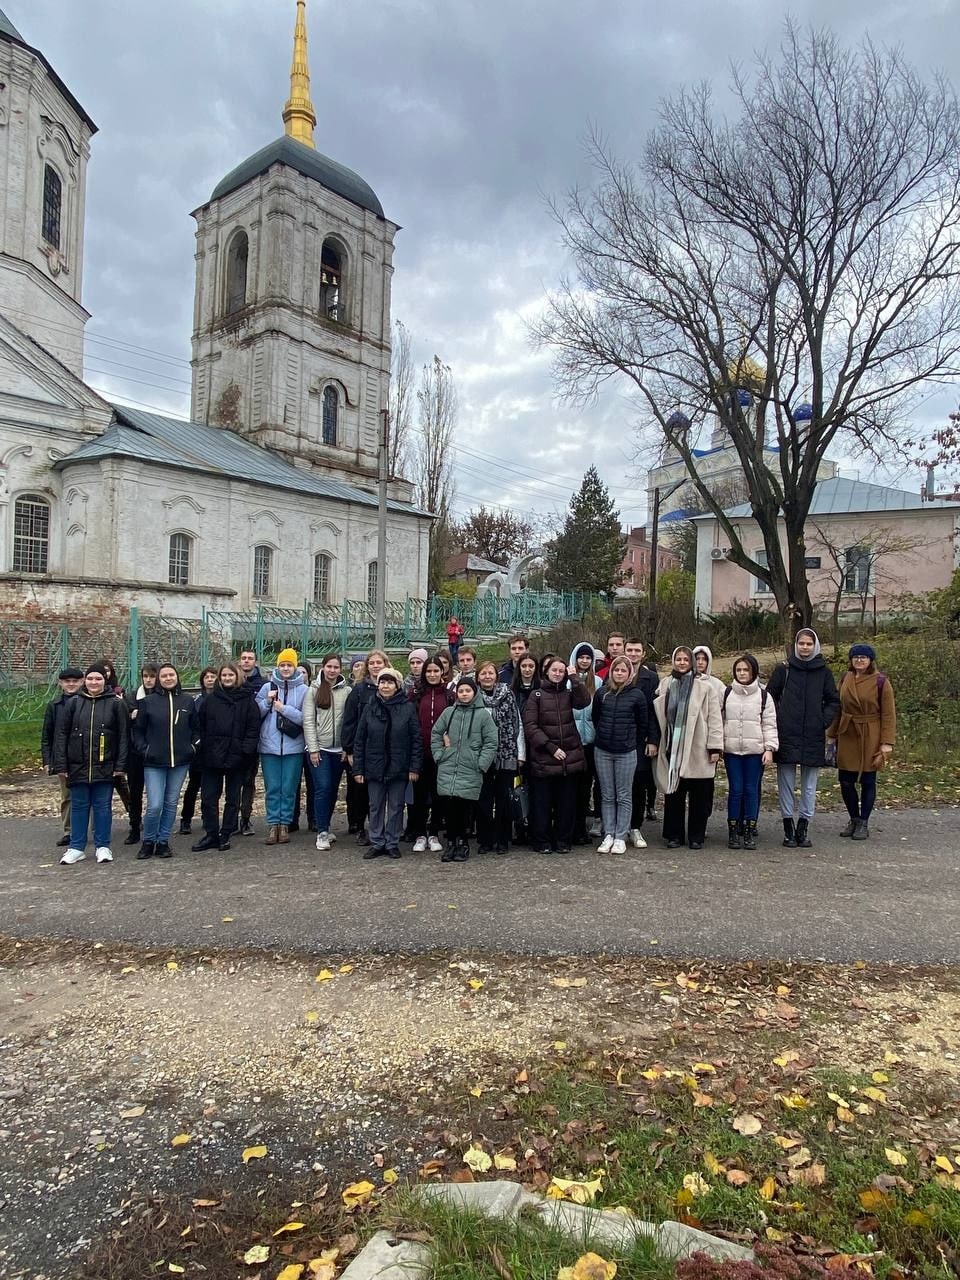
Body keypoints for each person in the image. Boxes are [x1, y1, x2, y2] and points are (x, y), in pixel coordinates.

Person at [766, 628, 840, 848]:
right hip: (787, 734)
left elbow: (833, 701)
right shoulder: (784, 670)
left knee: (809, 785)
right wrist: (780, 720)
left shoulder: (823, 672)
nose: (805, 647)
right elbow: (770, 698)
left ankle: (803, 825)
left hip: (812, 735)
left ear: (815, 645)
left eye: (809, 644)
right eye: (801, 644)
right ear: (796, 645)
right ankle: (788, 826)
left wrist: (821, 721)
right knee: (786, 782)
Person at [54, 664, 128, 866]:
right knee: (78, 806)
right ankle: (76, 847)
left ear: (105, 681)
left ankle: (102, 846)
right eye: (90, 679)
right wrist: (61, 764)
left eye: (98, 679)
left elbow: (123, 736)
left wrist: (120, 765)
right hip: (77, 765)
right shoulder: (74, 703)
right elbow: (61, 735)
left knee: (103, 806)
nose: (94, 683)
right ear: (85, 681)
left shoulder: (115, 703)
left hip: (105, 764)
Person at [653, 646, 723, 850]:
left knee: (699, 795)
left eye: (686, 659)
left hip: (698, 747)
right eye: (679, 659)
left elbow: (715, 719)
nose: (682, 662)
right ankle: (674, 834)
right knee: (673, 792)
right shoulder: (665, 684)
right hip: (672, 747)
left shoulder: (705, 687)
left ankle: (696, 835)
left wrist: (715, 748)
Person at [827, 643, 896, 840]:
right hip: (847, 732)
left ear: (870, 660)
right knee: (846, 781)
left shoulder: (881, 681)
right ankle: (854, 818)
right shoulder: (845, 678)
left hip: (870, 733)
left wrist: (887, 742)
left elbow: (889, 714)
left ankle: (864, 821)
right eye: (856, 657)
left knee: (867, 780)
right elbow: (838, 708)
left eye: (863, 657)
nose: (859, 660)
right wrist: (832, 734)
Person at [522, 656, 591, 854]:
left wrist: (575, 678)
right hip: (545, 757)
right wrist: (550, 747)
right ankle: (542, 841)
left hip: (569, 757)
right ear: (547, 672)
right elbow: (530, 726)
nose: (558, 674)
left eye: (561, 671)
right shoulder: (536, 695)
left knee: (566, 803)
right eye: (554, 670)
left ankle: (563, 840)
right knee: (542, 804)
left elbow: (584, 701)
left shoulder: (569, 693)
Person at [353, 667, 422, 861]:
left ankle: (392, 842)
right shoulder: (369, 706)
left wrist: (413, 767)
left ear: (397, 685)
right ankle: (377, 841)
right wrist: (358, 768)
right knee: (375, 806)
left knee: (396, 806)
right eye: (382, 682)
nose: (385, 685)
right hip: (374, 765)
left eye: (390, 682)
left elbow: (415, 739)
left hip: (399, 766)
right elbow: (360, 739)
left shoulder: (407, 708)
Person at [134, 662, 200, 860]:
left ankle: (163, 841)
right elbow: (138, 731)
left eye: (171, 675)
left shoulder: (188, 701)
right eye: (164, 676)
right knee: (154, 804)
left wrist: (193, 746)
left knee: (171, 803)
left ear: (177, 677)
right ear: (158, 680)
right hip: (154, 761)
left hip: (180, 761)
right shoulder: (148, 702)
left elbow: (196, 729)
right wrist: (145, 750)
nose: (168, 678)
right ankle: (148, 841)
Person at [192, 661, 261, 851]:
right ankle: (211, 833)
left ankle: (226, 833)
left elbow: (253, 729)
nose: (227, 678)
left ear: (237, 677)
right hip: (211, 756)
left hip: (237, 756)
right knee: (208, 798)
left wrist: (245, 751)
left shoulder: (248, 701)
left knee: (232, 798)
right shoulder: (211, 700)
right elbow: (200, 725)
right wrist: (201, 745)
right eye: (224, 675)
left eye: (230, 675)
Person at [431, 675, 498, 862]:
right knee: (450, 807)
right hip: (449, 766)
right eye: (461, 691)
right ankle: (451, 842)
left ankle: (463, 843)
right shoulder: (449, 713)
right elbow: (436, 733)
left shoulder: (483, 714)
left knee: (466, 808)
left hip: (471, 768)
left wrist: (481, 763)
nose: (464, 694)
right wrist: (440, 755)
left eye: (468, 690)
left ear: (474, 692)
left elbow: (491, 741)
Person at [591, 655, 651, 854]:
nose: (619, 673)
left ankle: (620, 836)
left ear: (629, 673)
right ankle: (608, 833)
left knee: (624, 795)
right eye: (616, 670)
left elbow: (642, 724)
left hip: (626, 752)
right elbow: (596, 717)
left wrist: (630, 741)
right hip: (603, 750)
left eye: (623, 670)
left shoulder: (637, 695)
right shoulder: (602, 693)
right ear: (611, 672)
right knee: (607, 795)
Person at [722, 653, 779, 850]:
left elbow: (769, 724)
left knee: (751, 790)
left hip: (755, 752)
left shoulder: (764, 696)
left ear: (753, 671)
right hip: (732, 752)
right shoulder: (727, 693)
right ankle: (733, 829)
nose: (742, 673)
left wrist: (770, 749)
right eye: (739, 670)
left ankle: (749, 829)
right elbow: (720, 721)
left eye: (746, 670)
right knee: (736, 790)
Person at [255, 648, 308, 846]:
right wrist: (268, 703)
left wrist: (283, 709)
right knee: (272, 787)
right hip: (269, 745)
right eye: (282, 665)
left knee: (288, 787)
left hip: (293, 747)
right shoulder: (266, 687)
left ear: (295, 667)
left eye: (289, 665)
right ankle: (272, 824)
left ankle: (284, 824)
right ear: (277, 666)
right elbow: (255, 714)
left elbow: (306, 718)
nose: (286, 668)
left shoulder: (304, 690)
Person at [303, 654, 351, 851]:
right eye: (329, 667)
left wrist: (346, 748)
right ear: (323, 668)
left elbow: (349, 721)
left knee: (332, 789)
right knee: (321, 788)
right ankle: (321, 831)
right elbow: (308, 721)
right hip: (319, 749)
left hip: (338, 750)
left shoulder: (347, 690)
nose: (332, 670)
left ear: (340, 669)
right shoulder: (312, 690)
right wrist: (313, 748)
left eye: (336, 667)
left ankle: (327, 825)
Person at [341, 648, 387, 845]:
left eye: (380, 663)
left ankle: (378, 826)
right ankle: (359, 826)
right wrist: (349, 749)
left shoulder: (391, 687)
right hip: (362, 748)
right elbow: (349, 721)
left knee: (380, 791)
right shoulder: (358, 690)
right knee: (359, 790)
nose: (376, 666)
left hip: (385, 749)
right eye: (373, 663)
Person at [476, 660, 522, 854]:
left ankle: (503, 839)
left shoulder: (507, 694)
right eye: (483, 673)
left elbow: (515, 722)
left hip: (506, 753)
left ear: (497, 675)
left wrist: (519, 753)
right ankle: (485, 840)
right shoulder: (472, 695)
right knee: (483, 799)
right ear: (478, 677)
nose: (487, 677)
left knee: (504, 798)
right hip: (480, 756)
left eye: (490, 673)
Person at [408, 657, 451, 853]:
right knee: (418, 796)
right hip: (419, 752)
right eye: (429, 671)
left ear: (442, 672)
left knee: (438, 795)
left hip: (442, 755)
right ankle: (419, 834)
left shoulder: (450, 695)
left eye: (436, 671)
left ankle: (433, 833)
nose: (432, 675)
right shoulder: (415, 694)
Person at [41, 666, 84, 847]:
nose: (71, 684)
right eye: (67, 681)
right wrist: (48, 760)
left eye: (75, 681)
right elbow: (47, 735)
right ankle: (69, 831)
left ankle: (92, 828)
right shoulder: (55, 705)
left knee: (88, 795)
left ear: (81, 682)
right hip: (63, 758)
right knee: (67, 796)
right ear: (61, 684)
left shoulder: (87, 701)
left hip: (84, 755)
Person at [568, 642, 601, 844]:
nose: (584, 661)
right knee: (572, 787)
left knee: (585, 786)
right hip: (572, 741)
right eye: (581, 657)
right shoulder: (567, 682)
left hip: (591, 742)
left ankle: (582, 828)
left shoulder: (597, 682)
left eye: (588, 658)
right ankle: (571, 827)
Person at [179, 666, 218, 834]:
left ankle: (207, 818)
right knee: (193, 786)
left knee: (211, 787)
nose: (210, 679)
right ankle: (185, 820)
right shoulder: (195, 700)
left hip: (215, 748)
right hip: (198, 749)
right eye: (207, 677)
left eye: (213, 676)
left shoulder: (220, 698)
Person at [625, 638, 659, 830]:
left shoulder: (651, 678)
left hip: (641, 738)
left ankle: (635, 826)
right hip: (621, 737)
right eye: (629, 650)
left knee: (639, 783)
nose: (633, 654)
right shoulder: (616, 672)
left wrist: (653, 740)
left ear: (643, 653)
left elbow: (655, 711)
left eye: (637, 650)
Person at [122, 664, 157, 846]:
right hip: (135, 752)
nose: (149, 679)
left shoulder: (161, 696)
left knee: (155, 795)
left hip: (156, 751)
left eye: (152, 676)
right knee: (135, 793)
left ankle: (154, 828)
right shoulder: (132, 696)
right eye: (145, 676)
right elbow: (127, 719)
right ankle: (134, 827)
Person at [236, 648, 266, 836]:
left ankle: (245, 819)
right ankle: (230, 820)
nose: (246, 661)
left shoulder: (263, 685)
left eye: (250, 659)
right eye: (243, 658)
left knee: (248, 781)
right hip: (230, 740)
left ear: (255, 662)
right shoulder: (231, 682)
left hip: (252, 740)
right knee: (231, 783)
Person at [290, 659, 315, 833]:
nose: (300, 675)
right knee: (294, 783)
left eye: (304, 672)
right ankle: (293, 818)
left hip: (312, 743)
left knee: (313, 783)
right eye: (297, 671)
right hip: (295, 742)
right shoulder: (290, 692)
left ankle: (313, 818)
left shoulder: (313, 691)